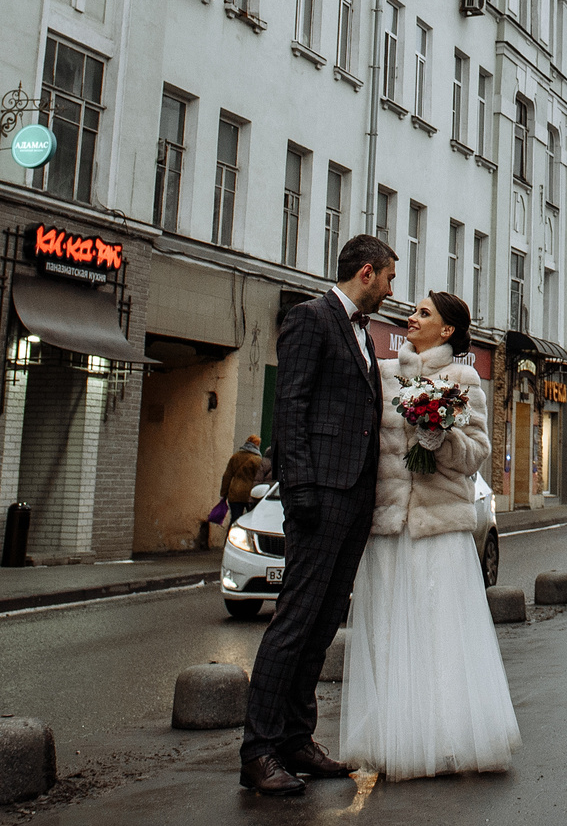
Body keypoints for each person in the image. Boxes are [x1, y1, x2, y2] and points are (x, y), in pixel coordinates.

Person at [242, 235, 398, 798]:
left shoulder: (362, 332)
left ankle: (295, 739)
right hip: (320, 495)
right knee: (294, 623)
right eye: (389, 278)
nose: (391, 289)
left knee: (324, 623)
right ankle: (258, 751)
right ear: (366, 272)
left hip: (354, 497)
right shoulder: (311, 318)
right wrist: (300, 490)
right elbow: (291, 406)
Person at [342, 291, 519, 779]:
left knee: (439, 632)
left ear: (447, 330)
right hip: (389, 524)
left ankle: (446, 737)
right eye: (413, 311)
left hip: (438, 526)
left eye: (423, 313)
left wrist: (440, 436)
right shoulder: (383, 375)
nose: (411, 317)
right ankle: (393, 735)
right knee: (387, 631)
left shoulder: (464, 380)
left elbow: (476, 454)